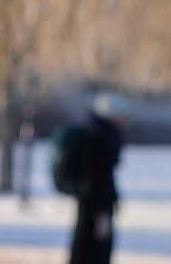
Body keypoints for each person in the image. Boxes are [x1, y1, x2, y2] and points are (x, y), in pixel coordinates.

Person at [51, 112, 122, 264]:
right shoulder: (98, 143)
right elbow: (99, 177)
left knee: (88, 244)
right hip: (96, 204)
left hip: (92, 202)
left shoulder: (98, 139)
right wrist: (106, 200)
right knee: (92, 245)